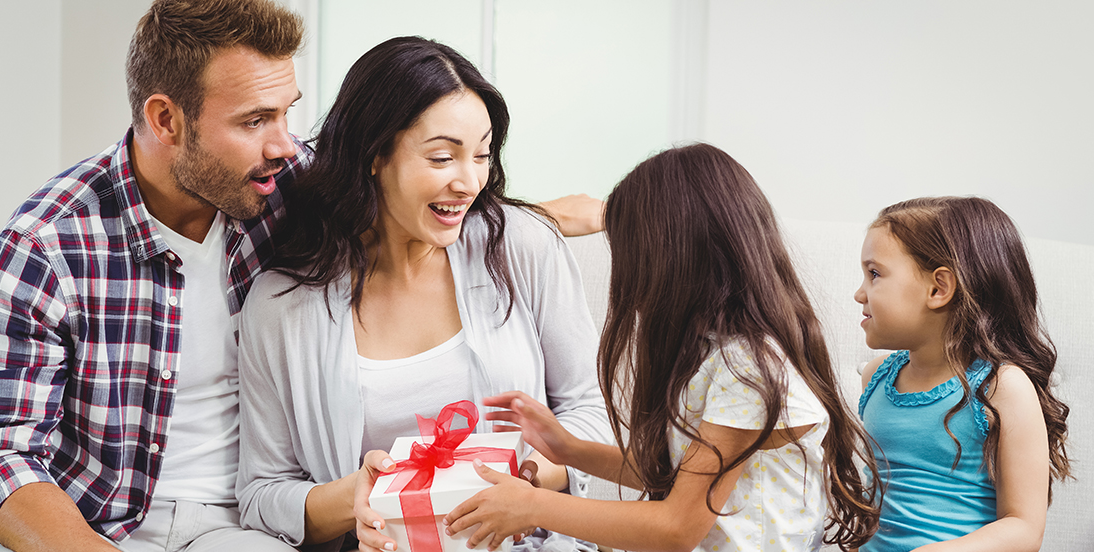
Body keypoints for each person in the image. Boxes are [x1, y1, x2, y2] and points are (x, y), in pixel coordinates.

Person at [0, 3, 602, 551]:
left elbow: (409, 203)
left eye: (288, 113)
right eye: (255, 120)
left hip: (242, 529)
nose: (286, 145)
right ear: (167, 120)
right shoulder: (46, 247)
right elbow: (5, 455)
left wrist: (531, 222)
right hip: (99, 525)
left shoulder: (285, 185)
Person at [233, 36, 611, 552]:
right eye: (442, 158)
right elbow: (261, 493)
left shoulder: (523, 244)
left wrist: (530, 479)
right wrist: (355, 498)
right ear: (374, 155)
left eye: (482, 155)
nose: (470, 181)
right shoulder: (282, 304)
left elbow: (591, 408)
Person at [434, 143, 881, 552]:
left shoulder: (750, 368)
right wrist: (568, 449)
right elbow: (676, 477)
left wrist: (532, 508)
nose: (625, 272)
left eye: (630, 252)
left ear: (673, 257)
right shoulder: (715, 353)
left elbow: (676, 528)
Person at [851, 197, 1070, 551]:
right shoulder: (875, 378)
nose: (859, 293)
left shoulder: (1001, 388)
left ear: (939, 289)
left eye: (874, 274)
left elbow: (1025, 528)